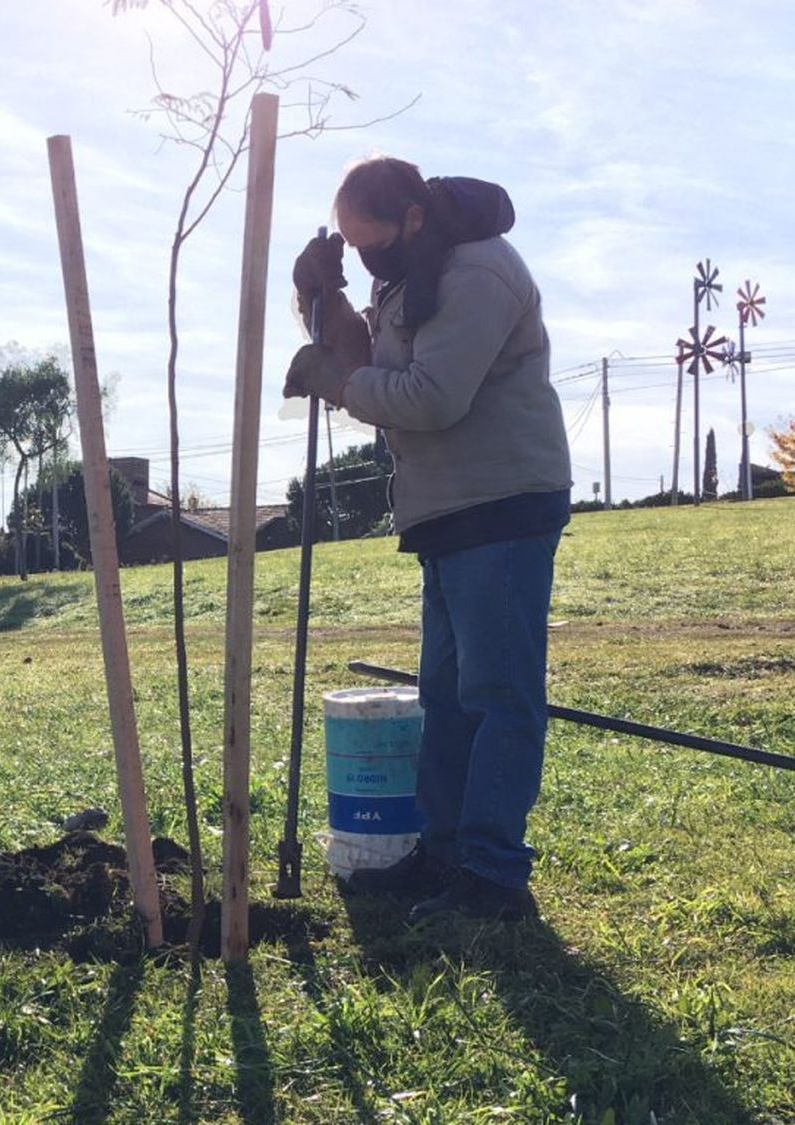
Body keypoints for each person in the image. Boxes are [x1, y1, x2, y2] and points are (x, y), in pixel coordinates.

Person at [285, 157, 572, 923]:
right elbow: (369, 361)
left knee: (499, 694)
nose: (363, 255)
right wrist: (322, 294)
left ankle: (492, 873)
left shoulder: (480, 271)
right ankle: (445, 853)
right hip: (447, 512)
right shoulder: (405, 272)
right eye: (349, 244)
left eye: (366, 243)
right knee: (446, 698)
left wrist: (337, 385)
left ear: (412, 216)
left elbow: (431, 398)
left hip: (503, 504)